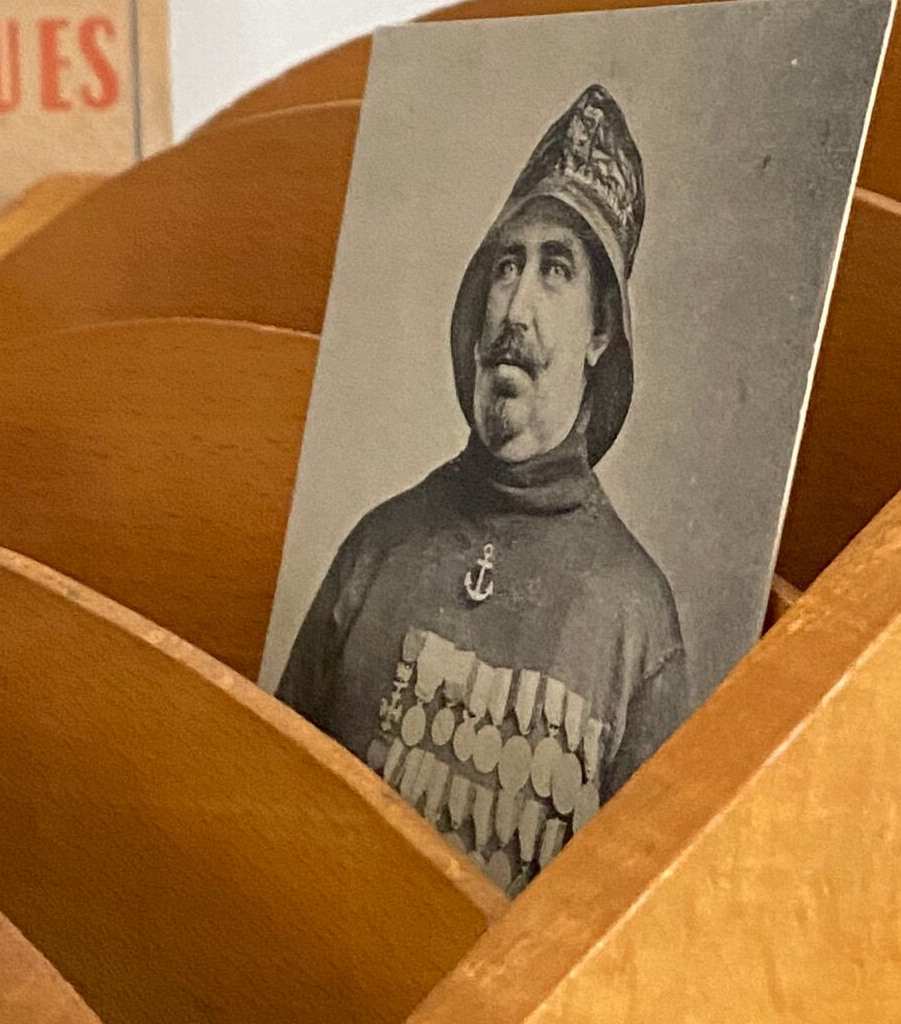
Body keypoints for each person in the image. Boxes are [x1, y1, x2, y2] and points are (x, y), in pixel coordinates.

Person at [277, 84, 687, 892]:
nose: (515, 307)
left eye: (556, 271)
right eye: (508, 266)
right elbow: (268, 809)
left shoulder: (637, 620)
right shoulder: (380, 546)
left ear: (601, 331)